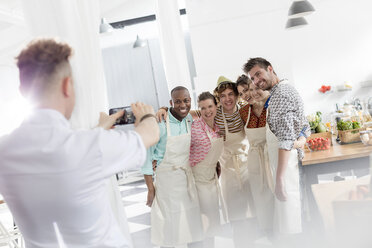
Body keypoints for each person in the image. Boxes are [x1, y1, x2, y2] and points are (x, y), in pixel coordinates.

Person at [0, 38, 159, 248]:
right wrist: (146, 115)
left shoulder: (4, 151)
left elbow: (64, 152)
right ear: (67, 86)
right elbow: (150, 134)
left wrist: (100, 129)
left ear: (22, 91)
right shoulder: (93, 146)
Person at [243, 57, 310, 243]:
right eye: (253, 78)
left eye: (258, 74)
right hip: (286, 166)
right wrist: (302, 139)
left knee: (293, 223)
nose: (256, 81)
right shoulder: (280, 92)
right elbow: (305, 124)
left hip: (287, 171)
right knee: (293, 220)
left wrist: (279, 179)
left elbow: (286, 140)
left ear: (270, 69)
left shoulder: (280, 95)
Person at [141, 86, 204, 248]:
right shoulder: (160, 124)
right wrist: (150, 188)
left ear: (191, 101)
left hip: (187, 180)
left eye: (186, 100)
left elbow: (207, 110)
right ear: (171, 103)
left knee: (192, 226)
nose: (182, 105)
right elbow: (146, 159)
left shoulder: (190, 119)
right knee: (170, 229)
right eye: (177, 102)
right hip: (167, 184)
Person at [189, 92, 225, 248]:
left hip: (211, 180)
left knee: (212, 223)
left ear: (216, 106)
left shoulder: (218, 127)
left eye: (210, 106)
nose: (207, 111)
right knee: (199, 224)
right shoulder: (194, 127)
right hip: (197, 182)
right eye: (202, 108)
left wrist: (216, 164)